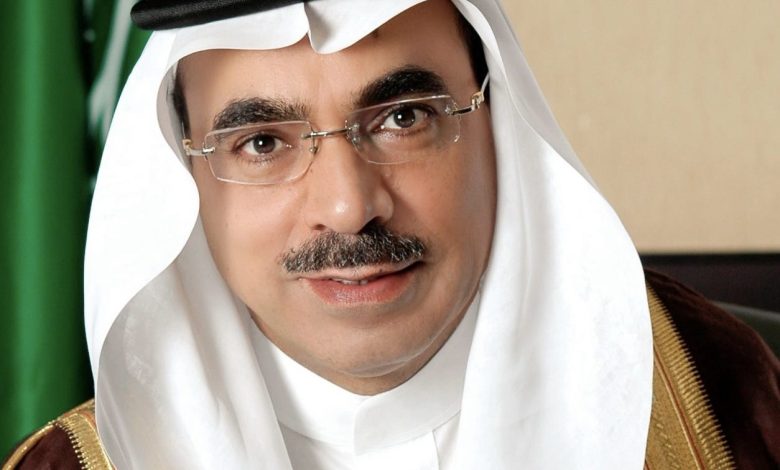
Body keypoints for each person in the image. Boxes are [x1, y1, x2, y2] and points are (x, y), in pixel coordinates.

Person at [4, 0, 778, 468]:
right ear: (183, 177)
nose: (348, 207)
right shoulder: (69, 466)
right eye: (262, 143)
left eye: (403, 118)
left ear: (498, 126)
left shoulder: (738, 403)